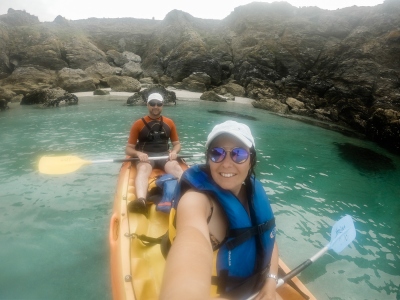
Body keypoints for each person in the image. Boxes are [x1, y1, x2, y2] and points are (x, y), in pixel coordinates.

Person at [160, 120, 281, 300]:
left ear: (251, 160)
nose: (226, 164)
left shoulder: (252, 192)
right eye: (217, 153)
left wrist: (270, 284)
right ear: (208, 159)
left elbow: (268, 239)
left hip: (258, 289)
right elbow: (191, 245)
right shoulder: (196, 202)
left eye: (238, 154)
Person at [125, 92, 184, 214]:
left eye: (159, 104)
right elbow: (129, 149)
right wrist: (138, 154)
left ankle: (185, 196)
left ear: (162, 105)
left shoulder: (169, 123)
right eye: (152, 104)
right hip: (146, 157)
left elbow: (177, 144)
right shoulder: (138, 124)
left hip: (164, 155)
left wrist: (174, 151)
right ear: (147, 105)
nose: (155, 106)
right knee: (143, 170)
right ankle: (141, 200)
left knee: (177, 168)